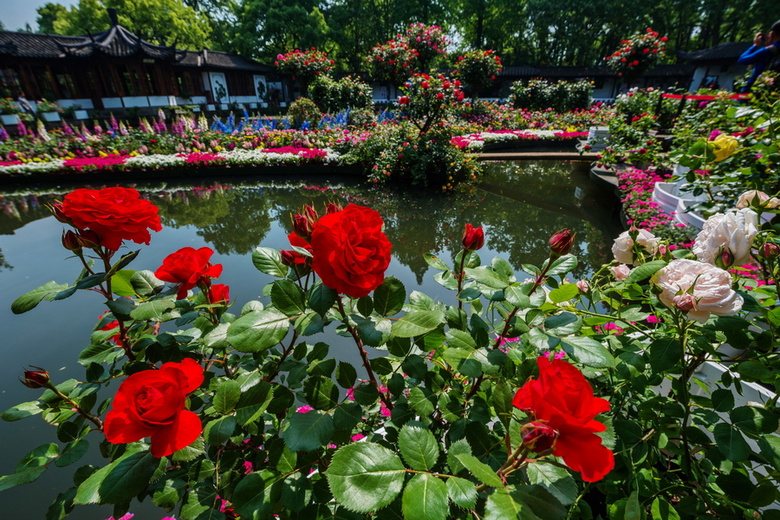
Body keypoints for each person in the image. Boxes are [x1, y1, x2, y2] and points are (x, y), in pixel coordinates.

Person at [737, 20, 780, 92]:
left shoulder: (769, 50)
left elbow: (742, 60)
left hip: (758, 91)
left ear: (772, 33)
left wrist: (755, 45)